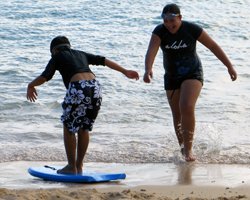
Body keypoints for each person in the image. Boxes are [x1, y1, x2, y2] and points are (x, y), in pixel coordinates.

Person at [27, 36, 139, 174]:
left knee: (69, 126)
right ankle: (79, 166)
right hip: (96, 88)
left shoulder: (57, 56)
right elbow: (103, 60)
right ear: (69, 46)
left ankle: (71, 166)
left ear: (54, 50)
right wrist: (125, 71)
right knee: (84, 127)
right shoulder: (80, 53)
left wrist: (31, 85)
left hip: (79, 88)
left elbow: (45, 76)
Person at [143, 4, 237, 162]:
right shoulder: (159, 31)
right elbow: (151, 51)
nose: (169, 24)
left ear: (180, 18)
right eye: (165, 20)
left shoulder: (192, 29)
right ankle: (183, 149)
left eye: (172, 20)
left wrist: (229, 66)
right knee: (177, 115)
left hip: (193, 72)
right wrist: (148, 69)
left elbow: (213, 46)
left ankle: (188, 150)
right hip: (172, 76)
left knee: (186, 105)